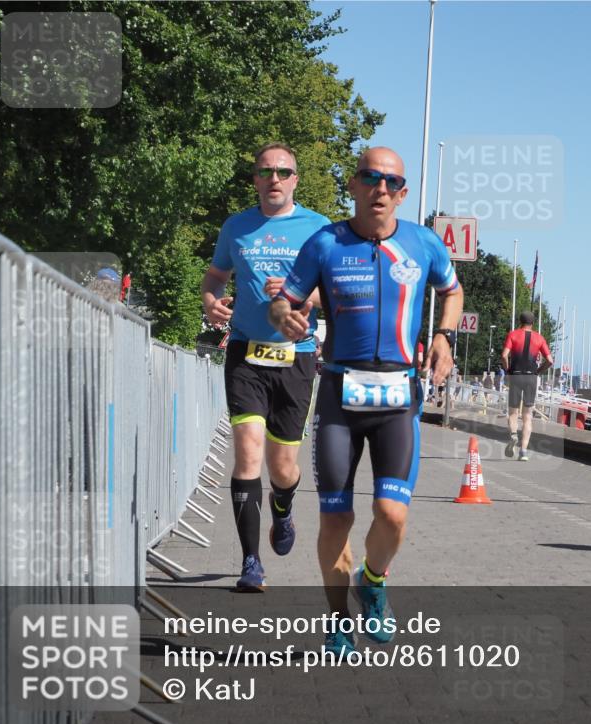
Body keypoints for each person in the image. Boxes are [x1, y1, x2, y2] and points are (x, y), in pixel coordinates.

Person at [268, 146, 463, 653]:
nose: (380, 188)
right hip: (338, 393)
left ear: (402, 193)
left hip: (398, 395)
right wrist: (281, 317)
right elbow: (284, 302)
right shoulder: (325, 243)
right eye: (370, 178)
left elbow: (453, 290)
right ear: (353, 185)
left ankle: (372, 580)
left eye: (391, 182)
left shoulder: (422, 244)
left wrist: (444, 336)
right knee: (336, 516)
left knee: (392, 513)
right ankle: (338, 620)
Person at [202, 142, 328, 591]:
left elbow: (331, 289)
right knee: (248, 453)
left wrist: (300, 295)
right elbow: (216, 275)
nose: (273, 178)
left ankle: (284, 505)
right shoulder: (236, 227)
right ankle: (251, 563)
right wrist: (211, 301)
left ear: (295, 179)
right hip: (245, 352)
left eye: (283, 171)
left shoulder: (318, 229)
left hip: (295, 356)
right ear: (255, 178)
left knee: (282, 468)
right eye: (265, 171)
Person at [501, 311, 554, 461]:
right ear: (533, 323)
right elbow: (550, 360)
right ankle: (523, 451)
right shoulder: (539, 338)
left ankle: (513, 435)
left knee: (513, 412)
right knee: (528, 416)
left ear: (520, 321)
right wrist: (538, 371)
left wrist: (508, 370)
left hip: (516, 375)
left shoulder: (513, 334)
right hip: (531, 377)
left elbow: (504, 355)